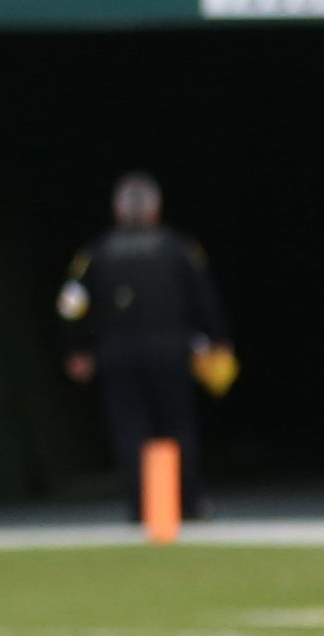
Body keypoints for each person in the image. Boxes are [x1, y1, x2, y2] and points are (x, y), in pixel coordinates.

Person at [55, 172, 229, 522]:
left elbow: (71, 306)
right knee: (178, 425)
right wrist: (218, 341)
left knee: (129, 428)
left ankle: (141, 505)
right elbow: (205, 301)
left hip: (117, 352)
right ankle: (188, 502)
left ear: (117, 212)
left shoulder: (95, 254)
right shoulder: (180, 249)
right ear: (155, 211)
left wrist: (77, 348)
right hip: (172, 349)